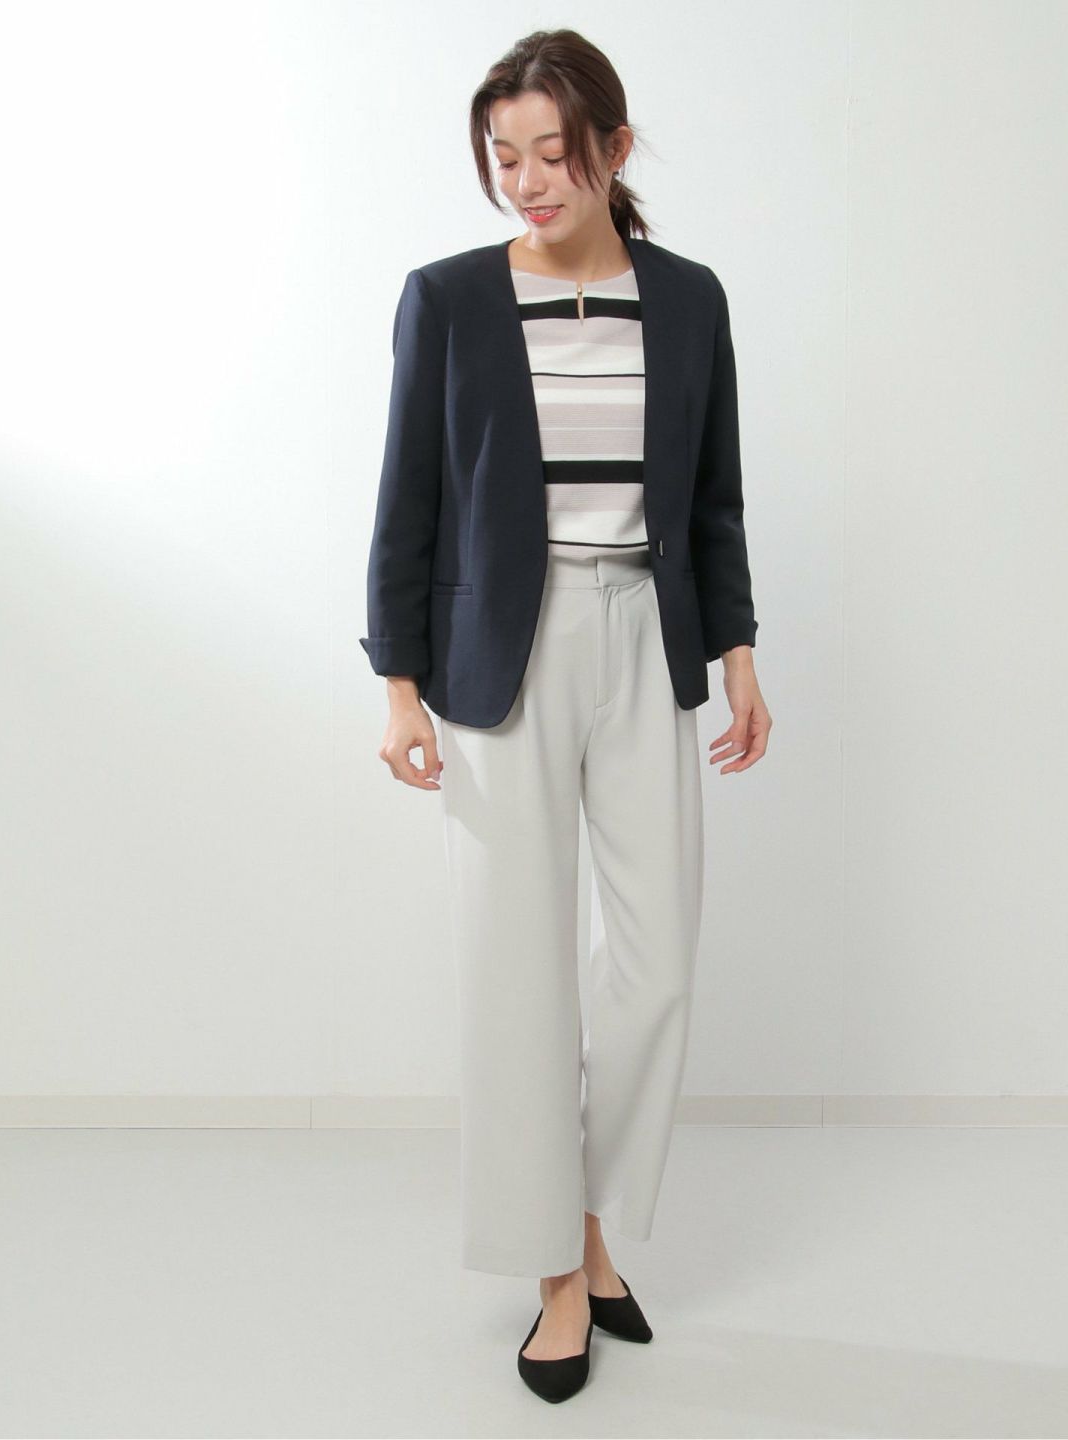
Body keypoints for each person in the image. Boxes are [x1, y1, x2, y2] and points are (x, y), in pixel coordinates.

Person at [360, 27, 772, 1402]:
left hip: (647, 636)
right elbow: (407, 500)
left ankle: (591, 1227)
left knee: (654, 969)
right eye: (505, 156)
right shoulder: (449, 298)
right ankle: (555, 1272)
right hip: (500, 656)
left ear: (614, 148)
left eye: (553, 152)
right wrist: (400, 686)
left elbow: (713, 499)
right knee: (516, 970)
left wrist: (739, 651)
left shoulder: (690, 299)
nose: (527, 181)